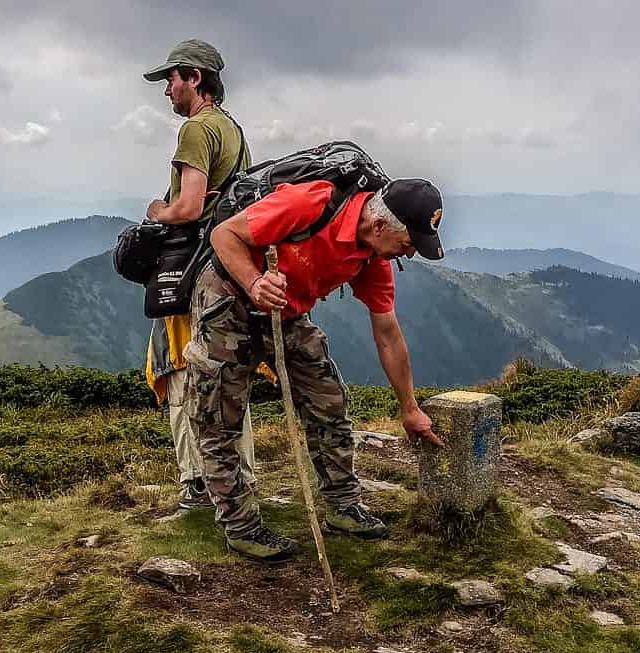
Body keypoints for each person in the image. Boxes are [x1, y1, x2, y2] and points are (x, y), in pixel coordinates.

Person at [187, 176, 447, 560]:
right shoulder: (308, 205)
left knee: (329, 400)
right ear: (379, 226)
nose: (408, 254)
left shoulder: (372, 257)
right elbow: (225, 235)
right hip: (230, 300)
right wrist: (255, 283)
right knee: (218, 415)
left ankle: (343, 506)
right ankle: (240, 526)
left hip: (287, 311)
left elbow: (388, 334)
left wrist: (409, 408)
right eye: (408, 244)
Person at [138, 39, 259, 510]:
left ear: (194, 78)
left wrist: (157, 211)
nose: (167, 89)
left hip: (191, 272)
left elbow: (189, 207)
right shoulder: (233, 130)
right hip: (227, 269)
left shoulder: (196, 130)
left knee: (183, 369)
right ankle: (238, 479)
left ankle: (198, 483)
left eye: (171, 78)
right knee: (225, 375)